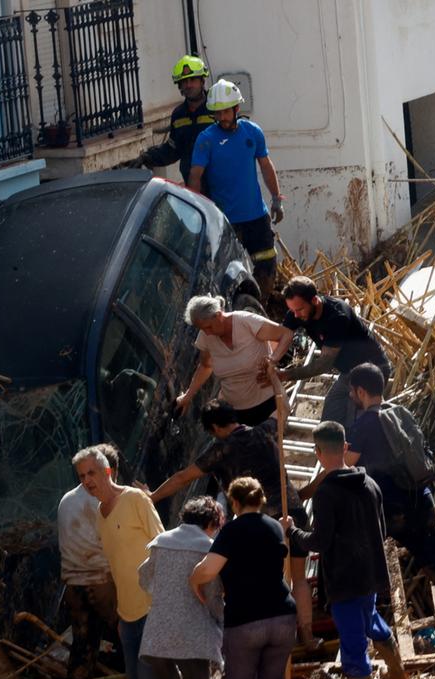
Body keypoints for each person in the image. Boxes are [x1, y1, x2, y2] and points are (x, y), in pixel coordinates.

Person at [152, 399, 317, 648]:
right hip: (292, 510)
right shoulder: (263, 430)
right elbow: (283, 408)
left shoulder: (222, 449)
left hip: (260, 522)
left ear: (215, 428)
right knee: (299, 578)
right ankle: (307, 635)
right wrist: (273, 377)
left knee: (266, 582)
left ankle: (271, 641)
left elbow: (183, 477)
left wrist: (152, 496)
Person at [343, 362, 435, 650]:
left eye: (352, 392)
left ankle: (376, 643)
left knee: (371, 575)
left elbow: (347, 464)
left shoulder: (365, 422)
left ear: (360, 391)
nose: (351, 397)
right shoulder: (400, 412)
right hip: (422, 499)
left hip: (390, 511)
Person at [282, 422, 407, 679]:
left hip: (344, 581)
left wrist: (293, 532)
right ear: (346, 447)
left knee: (353, 650)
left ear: (317, 452)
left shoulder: (327, 493)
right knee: (372, 622)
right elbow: (382, 529)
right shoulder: (369, 484)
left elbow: (320, 542)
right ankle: (399, 677)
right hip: (370, 575)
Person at [190, 478, 297, 679]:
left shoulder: (231, 531)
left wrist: (193, 579)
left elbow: (208, 570)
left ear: (235, 503)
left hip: (245, 620)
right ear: (260, 500)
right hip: (283, 615)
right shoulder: (274, 527)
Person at [74, 446, 164, 679]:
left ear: (108, 472)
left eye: (92, 473)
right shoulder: (100, 515)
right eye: (81, 477)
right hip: (127, 618)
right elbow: (115, 567)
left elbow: (163, 546)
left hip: (152, 609)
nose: (87, 481)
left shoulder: (135, 499)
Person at [189, 79, 285, 297]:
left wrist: (276, 199)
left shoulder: (252, 132)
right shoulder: (206, 140)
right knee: (227, 274)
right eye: (217, 113)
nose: (222, 118)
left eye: (226, 112)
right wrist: (197, 211)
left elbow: (266, 166)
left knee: (267, 264)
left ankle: (262, 309)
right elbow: (195, 176)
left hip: (256, 218)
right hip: (225, 221)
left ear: (236, 109)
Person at [138, 496, 224, 679]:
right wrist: (221, 623)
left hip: (157, 635)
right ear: (211, 523)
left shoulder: (161, 541)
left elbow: (143, 577)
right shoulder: (210, 549)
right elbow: (213, 596)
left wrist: (166, 595)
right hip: (193, 635)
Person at [278, 276, 392, 433]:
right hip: (349, 373)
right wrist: (271, 360)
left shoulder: (337, 316)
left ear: (315, 301)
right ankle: (328, 448)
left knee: (354, 424)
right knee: (330, 418)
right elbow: (282, 335)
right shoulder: (298, 311)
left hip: (372, 371)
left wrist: (286, 375)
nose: (295, 315)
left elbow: (324, 364)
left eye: (299, 310)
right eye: (292, 310)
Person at [57, 454, 119, 679]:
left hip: (74, 587)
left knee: (82, 646)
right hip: (102, 583)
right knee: (132, 638)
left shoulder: (66, 500)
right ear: (109, 471)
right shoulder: (103, 500)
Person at [175, 295, 294, 424]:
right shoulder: (206, 336)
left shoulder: (245, 321)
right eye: (202, 329)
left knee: (266, 442)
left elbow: (285, 334)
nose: (207, 333)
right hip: (234, 412)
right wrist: (188, 396)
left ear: (218, 315)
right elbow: (205, 366)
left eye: (208, 327)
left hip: (269, 404)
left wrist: (272, 360)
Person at [139, 55, 214, 188]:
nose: (189, 85)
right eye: (184, 81)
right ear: (179, 85)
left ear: (202, 81)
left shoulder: (217, 108)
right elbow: (173, 150)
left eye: (193, 80)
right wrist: (147, 157)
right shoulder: (179, 115)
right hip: (194, 188)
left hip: (220, 187)